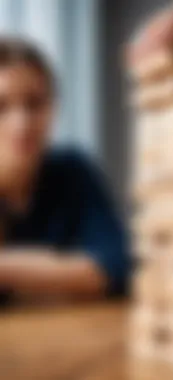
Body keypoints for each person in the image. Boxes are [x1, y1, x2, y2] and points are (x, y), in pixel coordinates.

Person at [0, 37, 130, 302]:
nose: (21, 124)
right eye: (1, 107)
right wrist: (69, 274)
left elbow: (117, 268)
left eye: (34, 103)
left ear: (53, 107)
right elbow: (98, 273)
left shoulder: (74, 170)